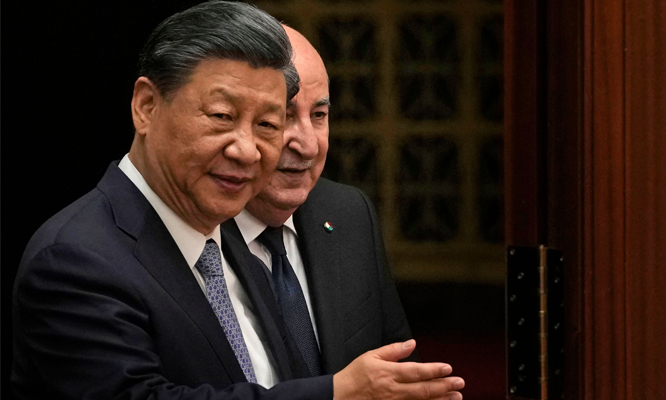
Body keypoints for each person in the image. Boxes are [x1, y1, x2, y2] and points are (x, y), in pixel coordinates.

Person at [12, 2, 464, 399]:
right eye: (223, 116)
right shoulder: (75, 259)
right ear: (146, 106)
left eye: (267, 124)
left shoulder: (229, 231)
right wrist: (334, 394)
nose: (247, 150)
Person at [231, 26, 464, 400]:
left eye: (319, 115)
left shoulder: (347, 212)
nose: (309, 145)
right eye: (282, 117)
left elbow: (397, 372)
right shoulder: (196, 230)